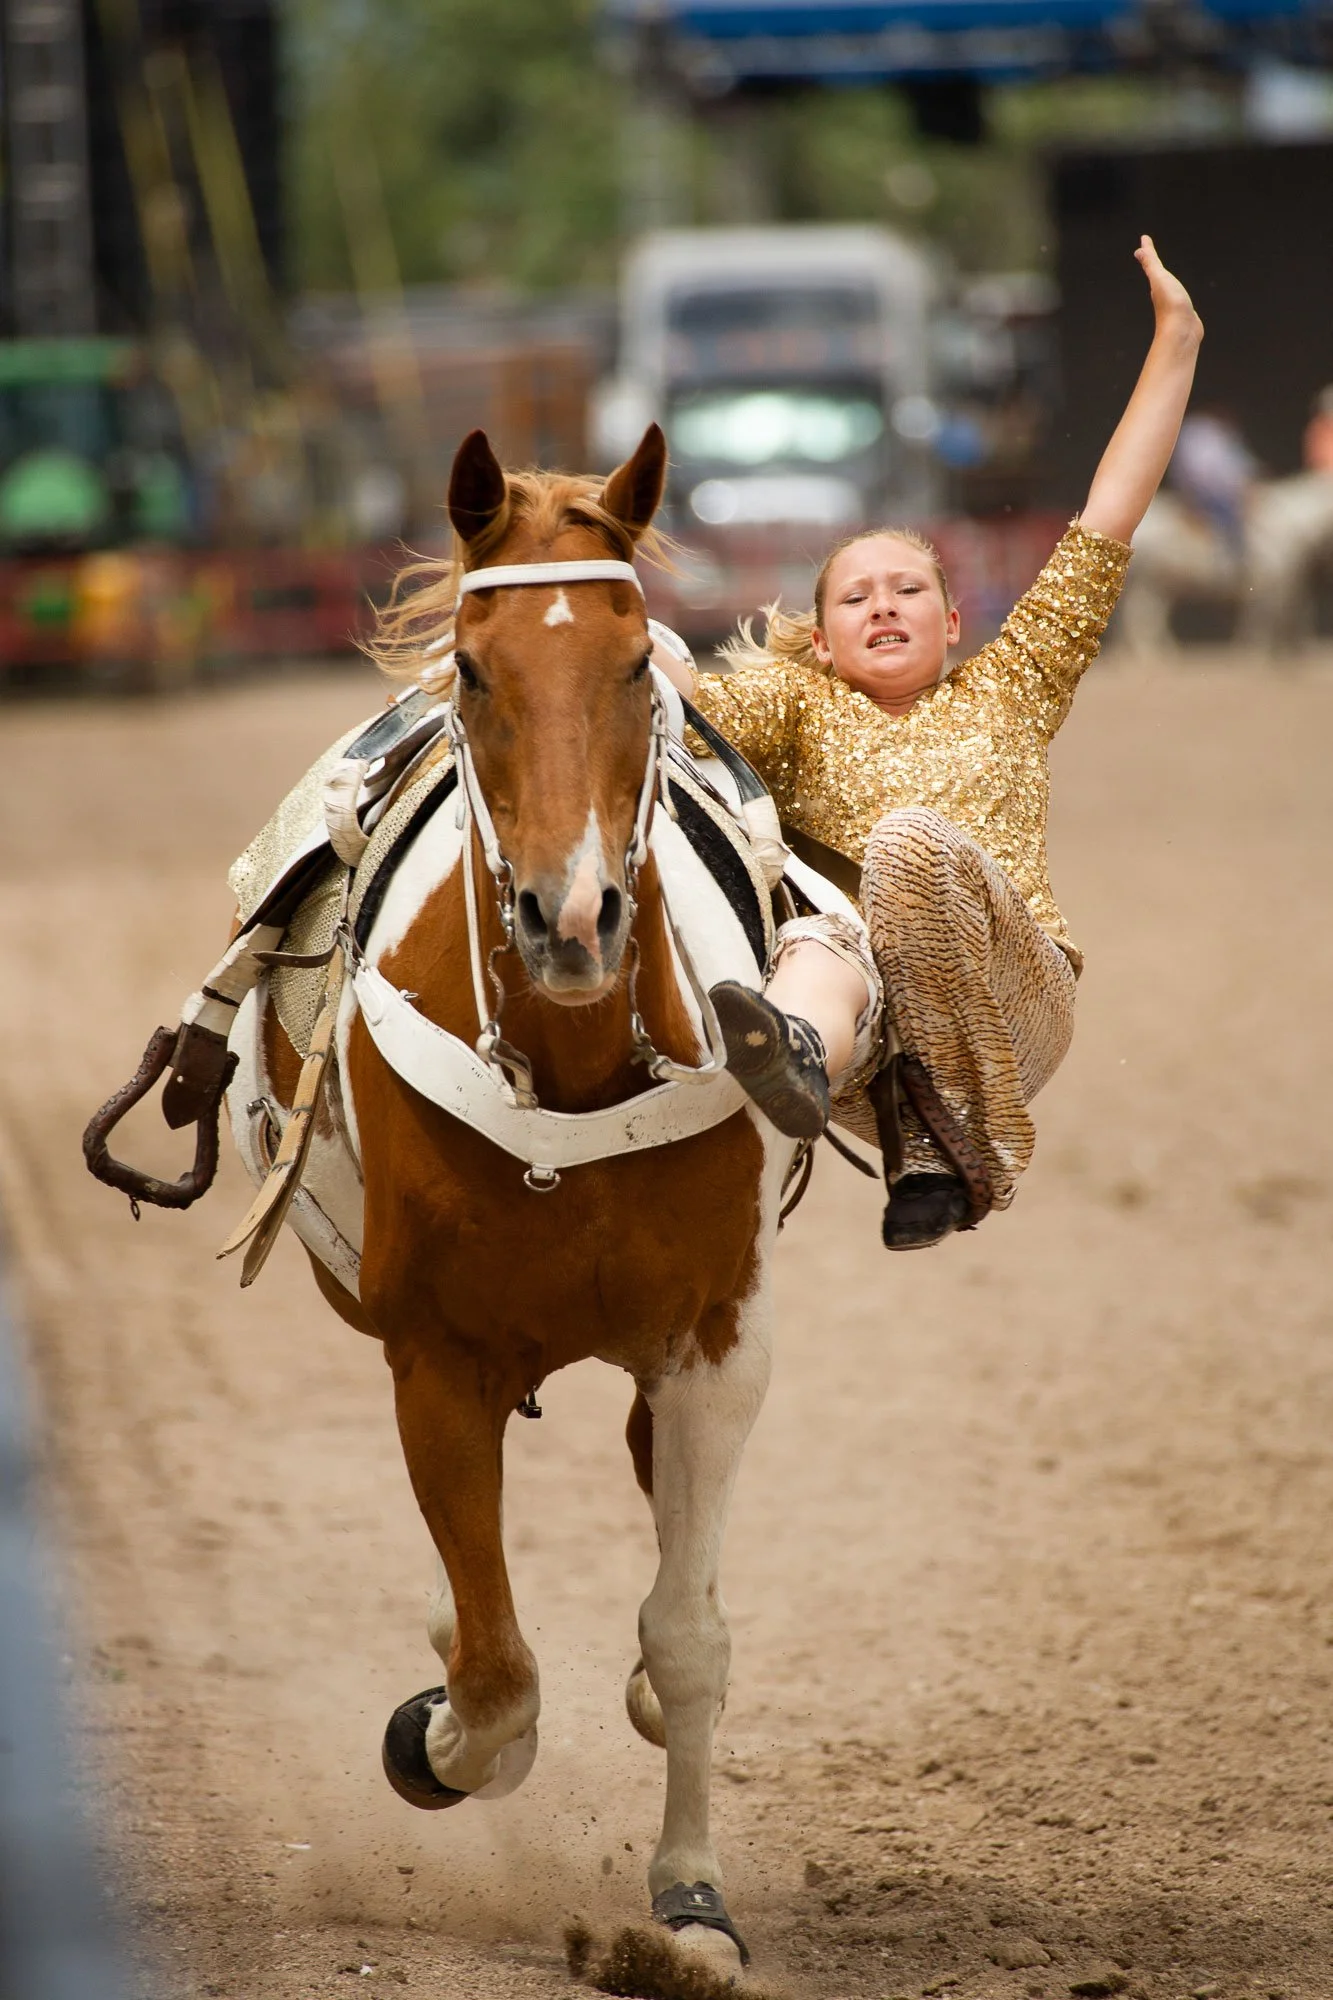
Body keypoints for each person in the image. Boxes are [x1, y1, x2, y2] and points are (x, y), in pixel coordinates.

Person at [655, 235, 1203, 1251]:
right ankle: (794, 1064)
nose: (884, 605)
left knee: (909, 843)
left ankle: (958, 1141)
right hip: (865, 1036)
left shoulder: (1014, 681)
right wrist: (641, 649)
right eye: (855, 597)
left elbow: (1108, 519)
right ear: (821, 639)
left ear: (955, 621)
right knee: (815, 937)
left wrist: (1175, 339)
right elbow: (684, 711)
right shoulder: (794, 707)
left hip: (1013, 1005)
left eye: (908, 587)